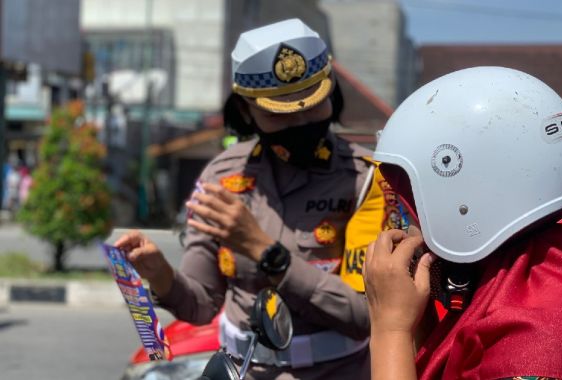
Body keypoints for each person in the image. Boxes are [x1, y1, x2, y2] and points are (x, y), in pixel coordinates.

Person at [116, 18, 402, 379]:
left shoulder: (367, 180)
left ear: (332, 94)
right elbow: (201, 306)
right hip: (244, 371)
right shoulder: (222, 178)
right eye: (279, 114)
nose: (300, 121)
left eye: (313, 106)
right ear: (246, 111)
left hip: (339, 372)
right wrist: (161, 276)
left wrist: (266, 253)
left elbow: (367, 315)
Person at [363, 66, 562, 379]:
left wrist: (389, 329)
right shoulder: (543, 266)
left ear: (467, 202)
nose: (406, 231)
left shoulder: (530, 340)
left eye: (411, 211)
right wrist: (422, 321)